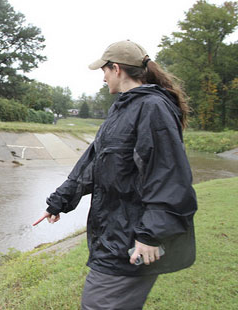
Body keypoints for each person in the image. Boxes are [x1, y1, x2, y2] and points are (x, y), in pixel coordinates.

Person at [35, 40, 197, 310]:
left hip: (132, 240)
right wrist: (59, 201)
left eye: (105, 70)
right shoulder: (122, 109)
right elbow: (93, 162)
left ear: (117, 68)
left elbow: (169, 174)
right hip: (112, 236)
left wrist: (150, 235)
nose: (103, 77)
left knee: (97, 305)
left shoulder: (152, 108)